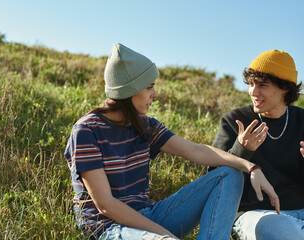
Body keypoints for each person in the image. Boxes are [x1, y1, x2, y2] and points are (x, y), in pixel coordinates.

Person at [65, 43, 279, 240]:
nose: (155, 95)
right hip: (108, 228)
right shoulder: (86, 131)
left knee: (231, 173)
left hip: (149, 217)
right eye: (149, 87)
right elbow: (106, 205)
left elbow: (195, 151)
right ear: (129, 90)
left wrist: (250, 166)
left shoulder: (145, 125)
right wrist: (165, 235)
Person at [211, 49, 304, 240]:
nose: (253, 92)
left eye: (262, 85)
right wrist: (241, 150)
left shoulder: (302, 120)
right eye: (251, 84)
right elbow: (214, 178)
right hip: (256, 216)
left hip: (301, 212)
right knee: (278, 230)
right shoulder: (235, 121)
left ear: (285, 88)